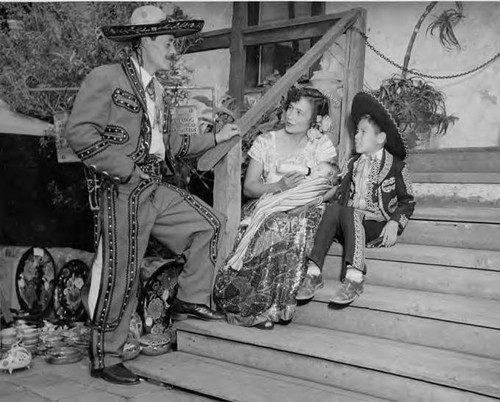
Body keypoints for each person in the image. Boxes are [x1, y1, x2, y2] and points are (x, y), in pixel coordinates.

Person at [65, 6, 240, 385]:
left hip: (154, 187)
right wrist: (126, 169)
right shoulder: (106, 77)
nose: (173, 50)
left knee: (209, 224)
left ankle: (190, 298)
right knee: (122, 273)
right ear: (144, 41)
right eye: (167, 42)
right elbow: (79, 133)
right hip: (123, 190)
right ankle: (105, 357)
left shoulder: (158, 90)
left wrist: (216, 138)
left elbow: (171, 143)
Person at [214, 86, 337, 330]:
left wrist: (305, 200)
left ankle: (278, 305)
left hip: (305, 205)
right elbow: (249, 188)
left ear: (315, 120)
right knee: (275, 223)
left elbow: (331, 186)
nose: (290, 116)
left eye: (300, 113)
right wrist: (279, 186)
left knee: (300, 220)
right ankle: (251, 306)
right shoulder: (265, 141)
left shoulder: (321, 145)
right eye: (290, 108)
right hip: (268, 204)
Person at [296, 91, 416, 304]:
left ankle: (355, 277)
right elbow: (339, 195)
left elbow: (408, 201)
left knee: (351, 213)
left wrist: (395, 223)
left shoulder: (397, 167)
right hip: (348, 223)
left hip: (374, 225)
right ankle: (313, 273)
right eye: (356, 132)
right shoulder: (352, 163)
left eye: (363, 132)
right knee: (333, 209)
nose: (357, 136)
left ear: (380, 138)